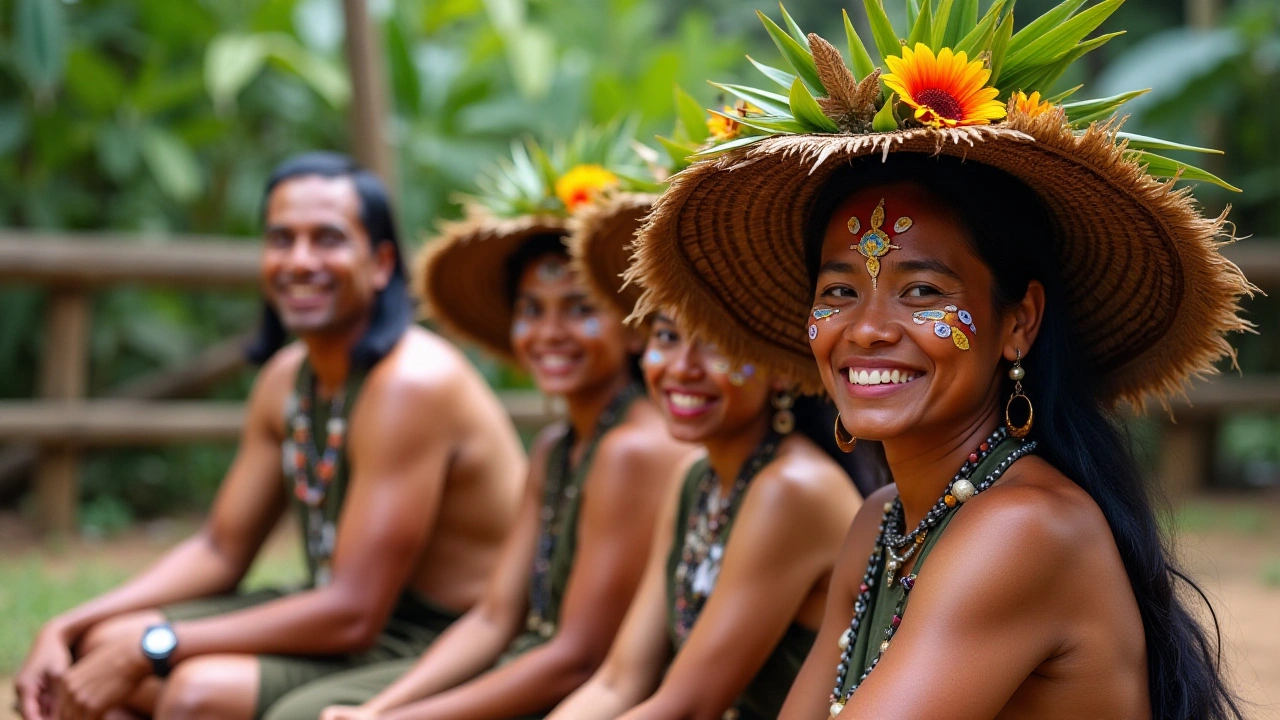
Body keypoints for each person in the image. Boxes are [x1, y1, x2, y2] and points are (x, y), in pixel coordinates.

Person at [627, 8, 1248, 719]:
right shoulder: (878, 523)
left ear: (1019, 324)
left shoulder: (1022, 530)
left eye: (921, 292)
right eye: (840, 292)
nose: (866, 330)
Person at [13, 152, 528, 720]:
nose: (300, 261)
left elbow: (354, 611)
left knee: (193, 694)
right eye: (281, 240)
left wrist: (154, 648)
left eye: (327, 239)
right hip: (343, 618)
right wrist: (67, 625)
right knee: (95, 650)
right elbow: (221, 548)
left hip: (439, 639)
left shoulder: (410, 385)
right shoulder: (288, 379)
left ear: (381, 263)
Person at [274, 138, 694, 720]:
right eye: (531, 309)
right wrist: (380, 709)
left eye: (578, 308)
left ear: (630, 329)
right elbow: (494, 617)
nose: (549, 332)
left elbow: (576, 657)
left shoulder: (633, 448)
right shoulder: (555, 450)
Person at [546, 192, 871, 720]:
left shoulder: (791, 489)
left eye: (717, 343)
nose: (681, 367)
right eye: (667, 336)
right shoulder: (694, 477)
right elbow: (617, 681)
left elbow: (687, 705)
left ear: (781, 367)